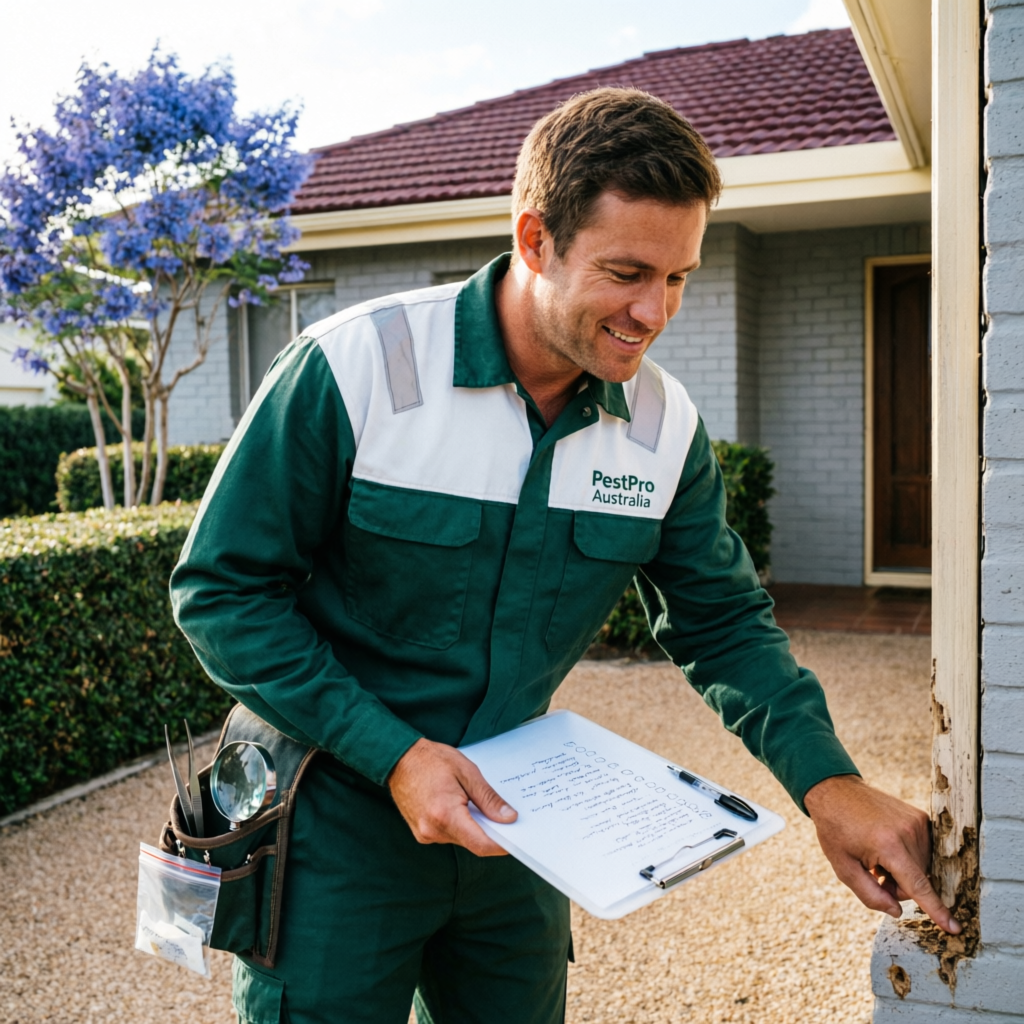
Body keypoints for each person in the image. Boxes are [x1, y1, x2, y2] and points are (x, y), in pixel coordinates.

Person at [170, 87, 959, 1024]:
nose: (653, 311)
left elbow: (725, 623)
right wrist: (394, 756)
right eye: (627, 272)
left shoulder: (664, 429)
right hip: (332, 817)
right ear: (534, 238)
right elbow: (221, 594)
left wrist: (830, 784)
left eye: (678, 278)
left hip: (517, 824)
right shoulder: (352, 370)